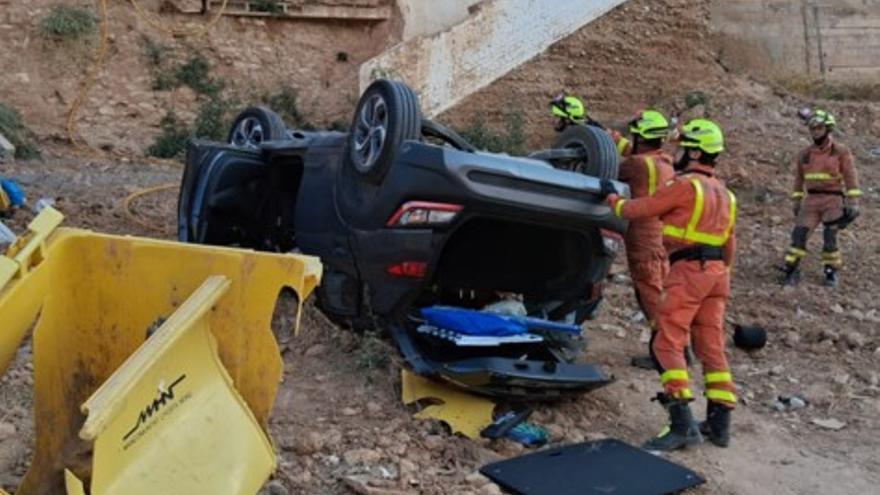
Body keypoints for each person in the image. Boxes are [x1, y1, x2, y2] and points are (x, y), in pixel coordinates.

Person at [601, 119, 737, 451]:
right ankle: (719, 425)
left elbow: (641, 208)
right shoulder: (726, 194)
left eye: (682, 146)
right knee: (710, 345)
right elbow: (730, 245)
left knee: (666, 343)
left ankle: (681, 423)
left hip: (689, 270)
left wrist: (610, 198)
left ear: (694, 150)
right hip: (718, 274)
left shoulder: (686, 185)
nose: (675, 152)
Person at [616, 110, 675, 370]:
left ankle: (668, 354)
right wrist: (613, 137)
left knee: (650, 297)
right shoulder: (663, 162)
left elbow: (614, 168)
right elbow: (634, 153)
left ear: (641, 137)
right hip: (660, 238)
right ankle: (675, 349)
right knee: (658, 293)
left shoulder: (637, 165)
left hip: (643, 240)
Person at [780, 109, 860, 287]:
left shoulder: (840, 151)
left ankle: (831, 271)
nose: (815, 131)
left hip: (833, 199)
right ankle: (791, 269)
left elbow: (850, 175)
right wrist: (796, 200)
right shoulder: (805, 154)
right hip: (811, 201)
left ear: (827, 129)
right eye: (812, 128)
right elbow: (799, 179)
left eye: (819, 128)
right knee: (799, 235)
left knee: (830, 235)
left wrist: (853, 200)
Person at [549, 94, 631, 156]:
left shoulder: (579, 138)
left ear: (568, 119)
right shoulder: (590, 126)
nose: (556, 121)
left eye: (559, 117)